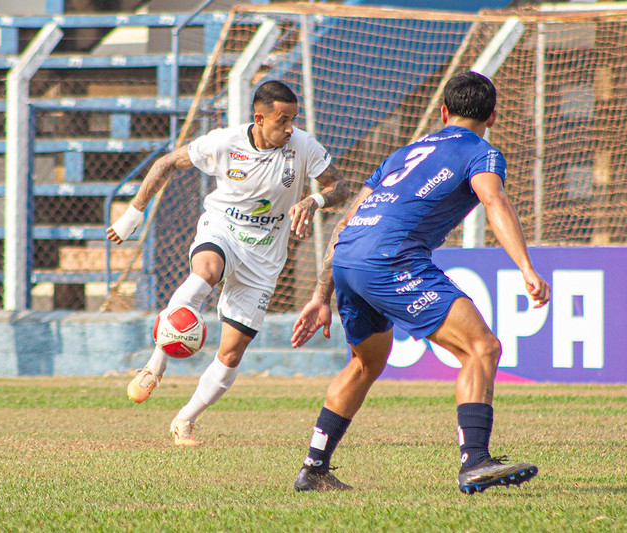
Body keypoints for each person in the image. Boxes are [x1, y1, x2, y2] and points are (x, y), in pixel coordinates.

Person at [289, 71, 551, 494]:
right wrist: (525, 267)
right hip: (391, 258)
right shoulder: (481, 150)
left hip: (350, 257)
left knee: (366, 363)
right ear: (493, 116)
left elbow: (348, 220)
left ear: (444, 112)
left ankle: (314, 467)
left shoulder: (403, 153)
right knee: (481, 347)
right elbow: (493, 199)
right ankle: (474, 462)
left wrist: (323, 294)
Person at [107, 80, 349, 446]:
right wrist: (132, 215)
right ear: (259, 118)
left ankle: (184, 420)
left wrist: (313, 200)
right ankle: (155, 366)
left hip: (264, 258)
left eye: (293, 121)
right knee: (204, 272)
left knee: (231, 352)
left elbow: (340, 187)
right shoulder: (225, 143)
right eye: (282, 121)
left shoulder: (303, 145)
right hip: (222, 231)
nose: (289, 129)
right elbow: (167, 162)